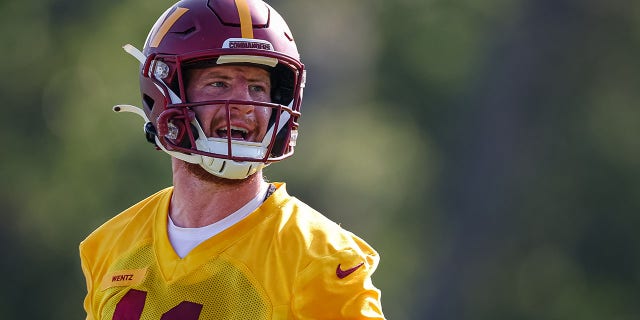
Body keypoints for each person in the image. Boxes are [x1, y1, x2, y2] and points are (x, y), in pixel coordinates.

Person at [79, 0, 385, 319]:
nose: (244, 105)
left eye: (257, 87)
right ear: (165, 91)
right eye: (219, 83)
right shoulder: (110, 245)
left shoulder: (320, 257)